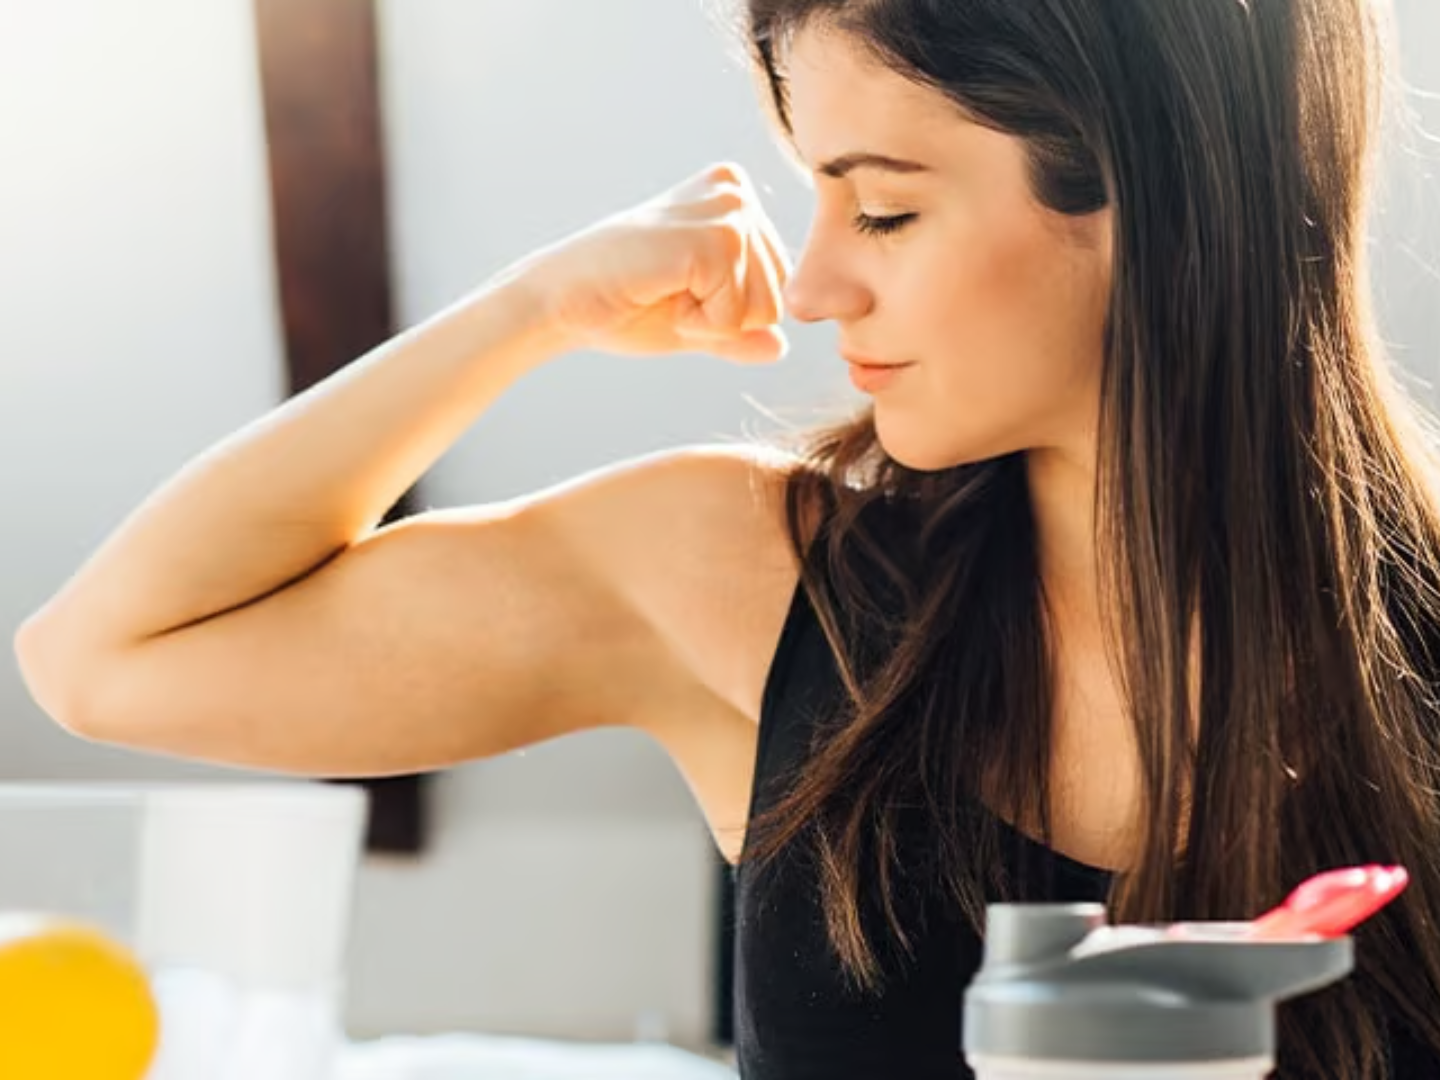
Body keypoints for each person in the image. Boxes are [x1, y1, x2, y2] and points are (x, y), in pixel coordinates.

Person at [14, 0, 1440, 1075]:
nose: (811, 285)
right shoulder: (744, 576)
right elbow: (109, 658)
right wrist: (535, 309)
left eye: (883, 208)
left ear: (1160, 188)